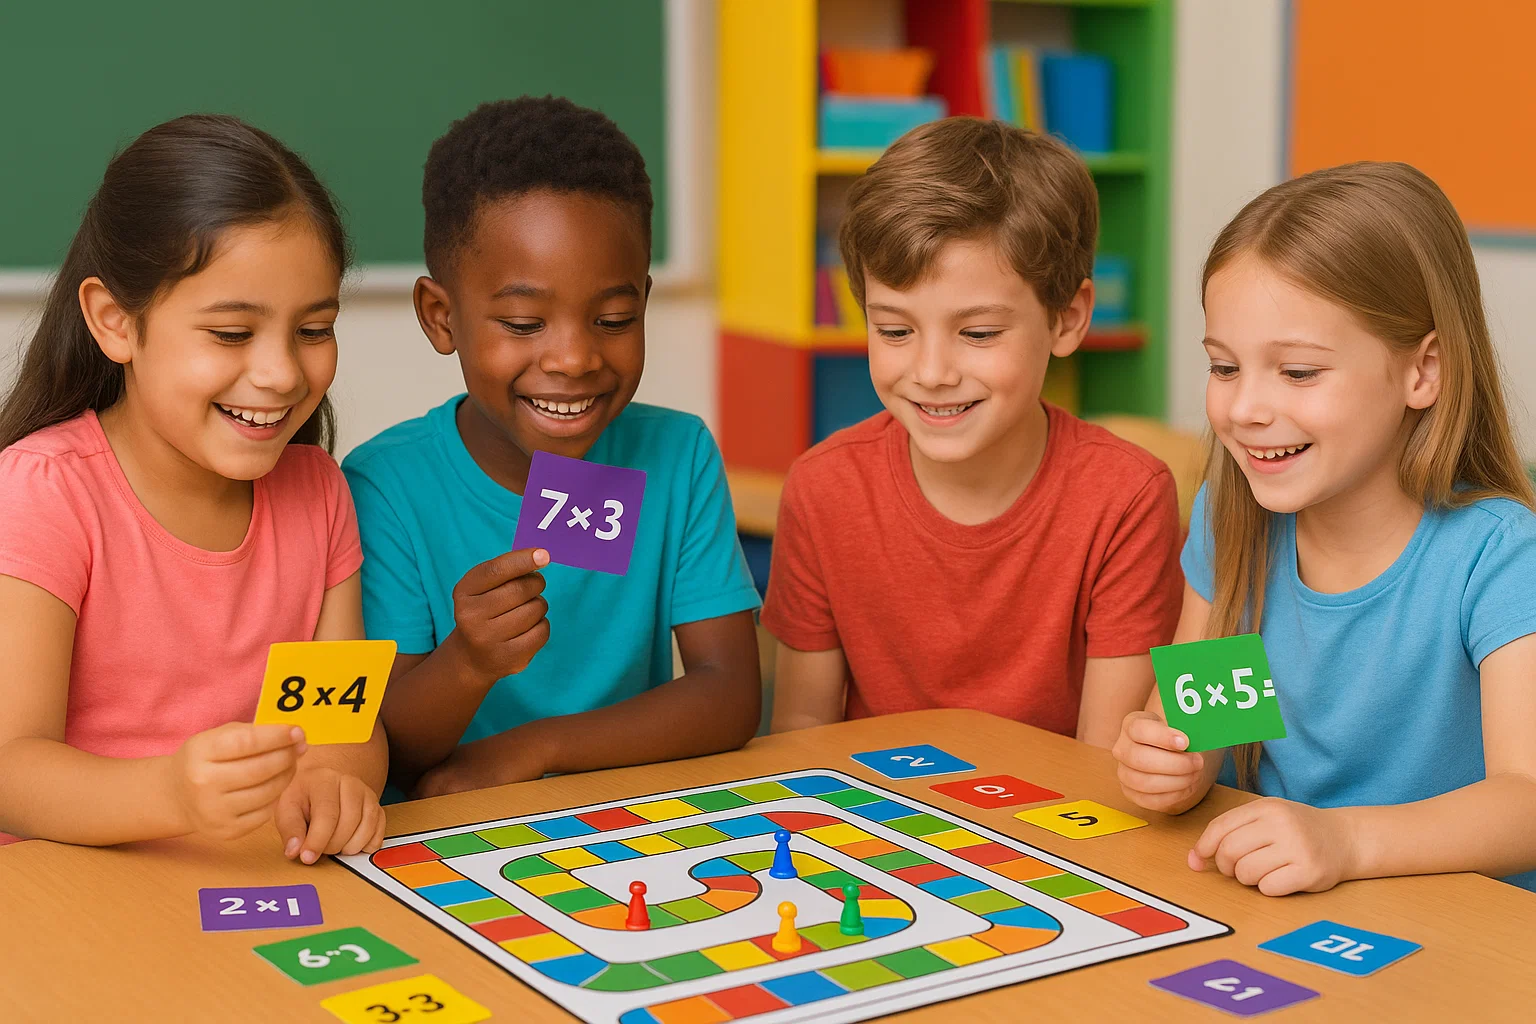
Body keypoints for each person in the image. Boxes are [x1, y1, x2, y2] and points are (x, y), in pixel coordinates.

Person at [1112, 162, 1536, 894]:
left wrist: (1344, 840)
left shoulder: (1496, 557)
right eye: (1223, 368)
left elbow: (1525, 802)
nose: (1245, 408)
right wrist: (1169, 764)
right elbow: (1205, 724)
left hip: (1457, 934)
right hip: (1285, 918)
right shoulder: (1232, 518)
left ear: (1422, 371)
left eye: (1298, 373)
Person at [342, 97, 761, 798]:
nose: (573, 358)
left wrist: (537, 749)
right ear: (440, 317)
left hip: (628, 817)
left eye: (614, 318)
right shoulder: (386, 485)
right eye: (524, 322)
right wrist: (469, 662)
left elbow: (730, 694)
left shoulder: (677, 454)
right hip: (450, 835)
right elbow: (387, 747)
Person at [0, 115, 386, 860]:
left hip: (252, 891)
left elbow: (344, 725)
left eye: (313, 330)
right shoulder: (44, 494)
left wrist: (337, 780)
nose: (280, 373)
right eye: (233, 335)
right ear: (116, 322)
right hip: (70, 898)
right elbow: (11, 766)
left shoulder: (318, 492)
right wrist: (171, 795)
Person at [763, 117, 1182, 747]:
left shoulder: (1126, 494)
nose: (932, 373)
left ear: (1067, 320)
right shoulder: (823, 488)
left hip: (1055, 824)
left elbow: (1106, 755)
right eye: (896, 331)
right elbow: (801, 730)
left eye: (979, 333)